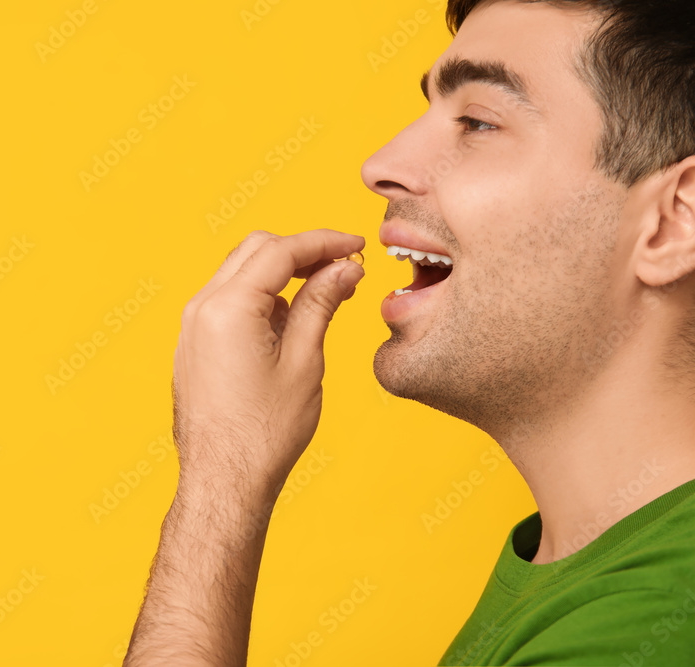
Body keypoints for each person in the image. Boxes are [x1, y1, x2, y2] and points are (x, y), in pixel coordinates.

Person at [123, 0, 695, 664]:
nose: (381, 163)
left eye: (478, 122)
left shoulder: (645, 627)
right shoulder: (583, 571)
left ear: (673, 222)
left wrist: (223, 476)